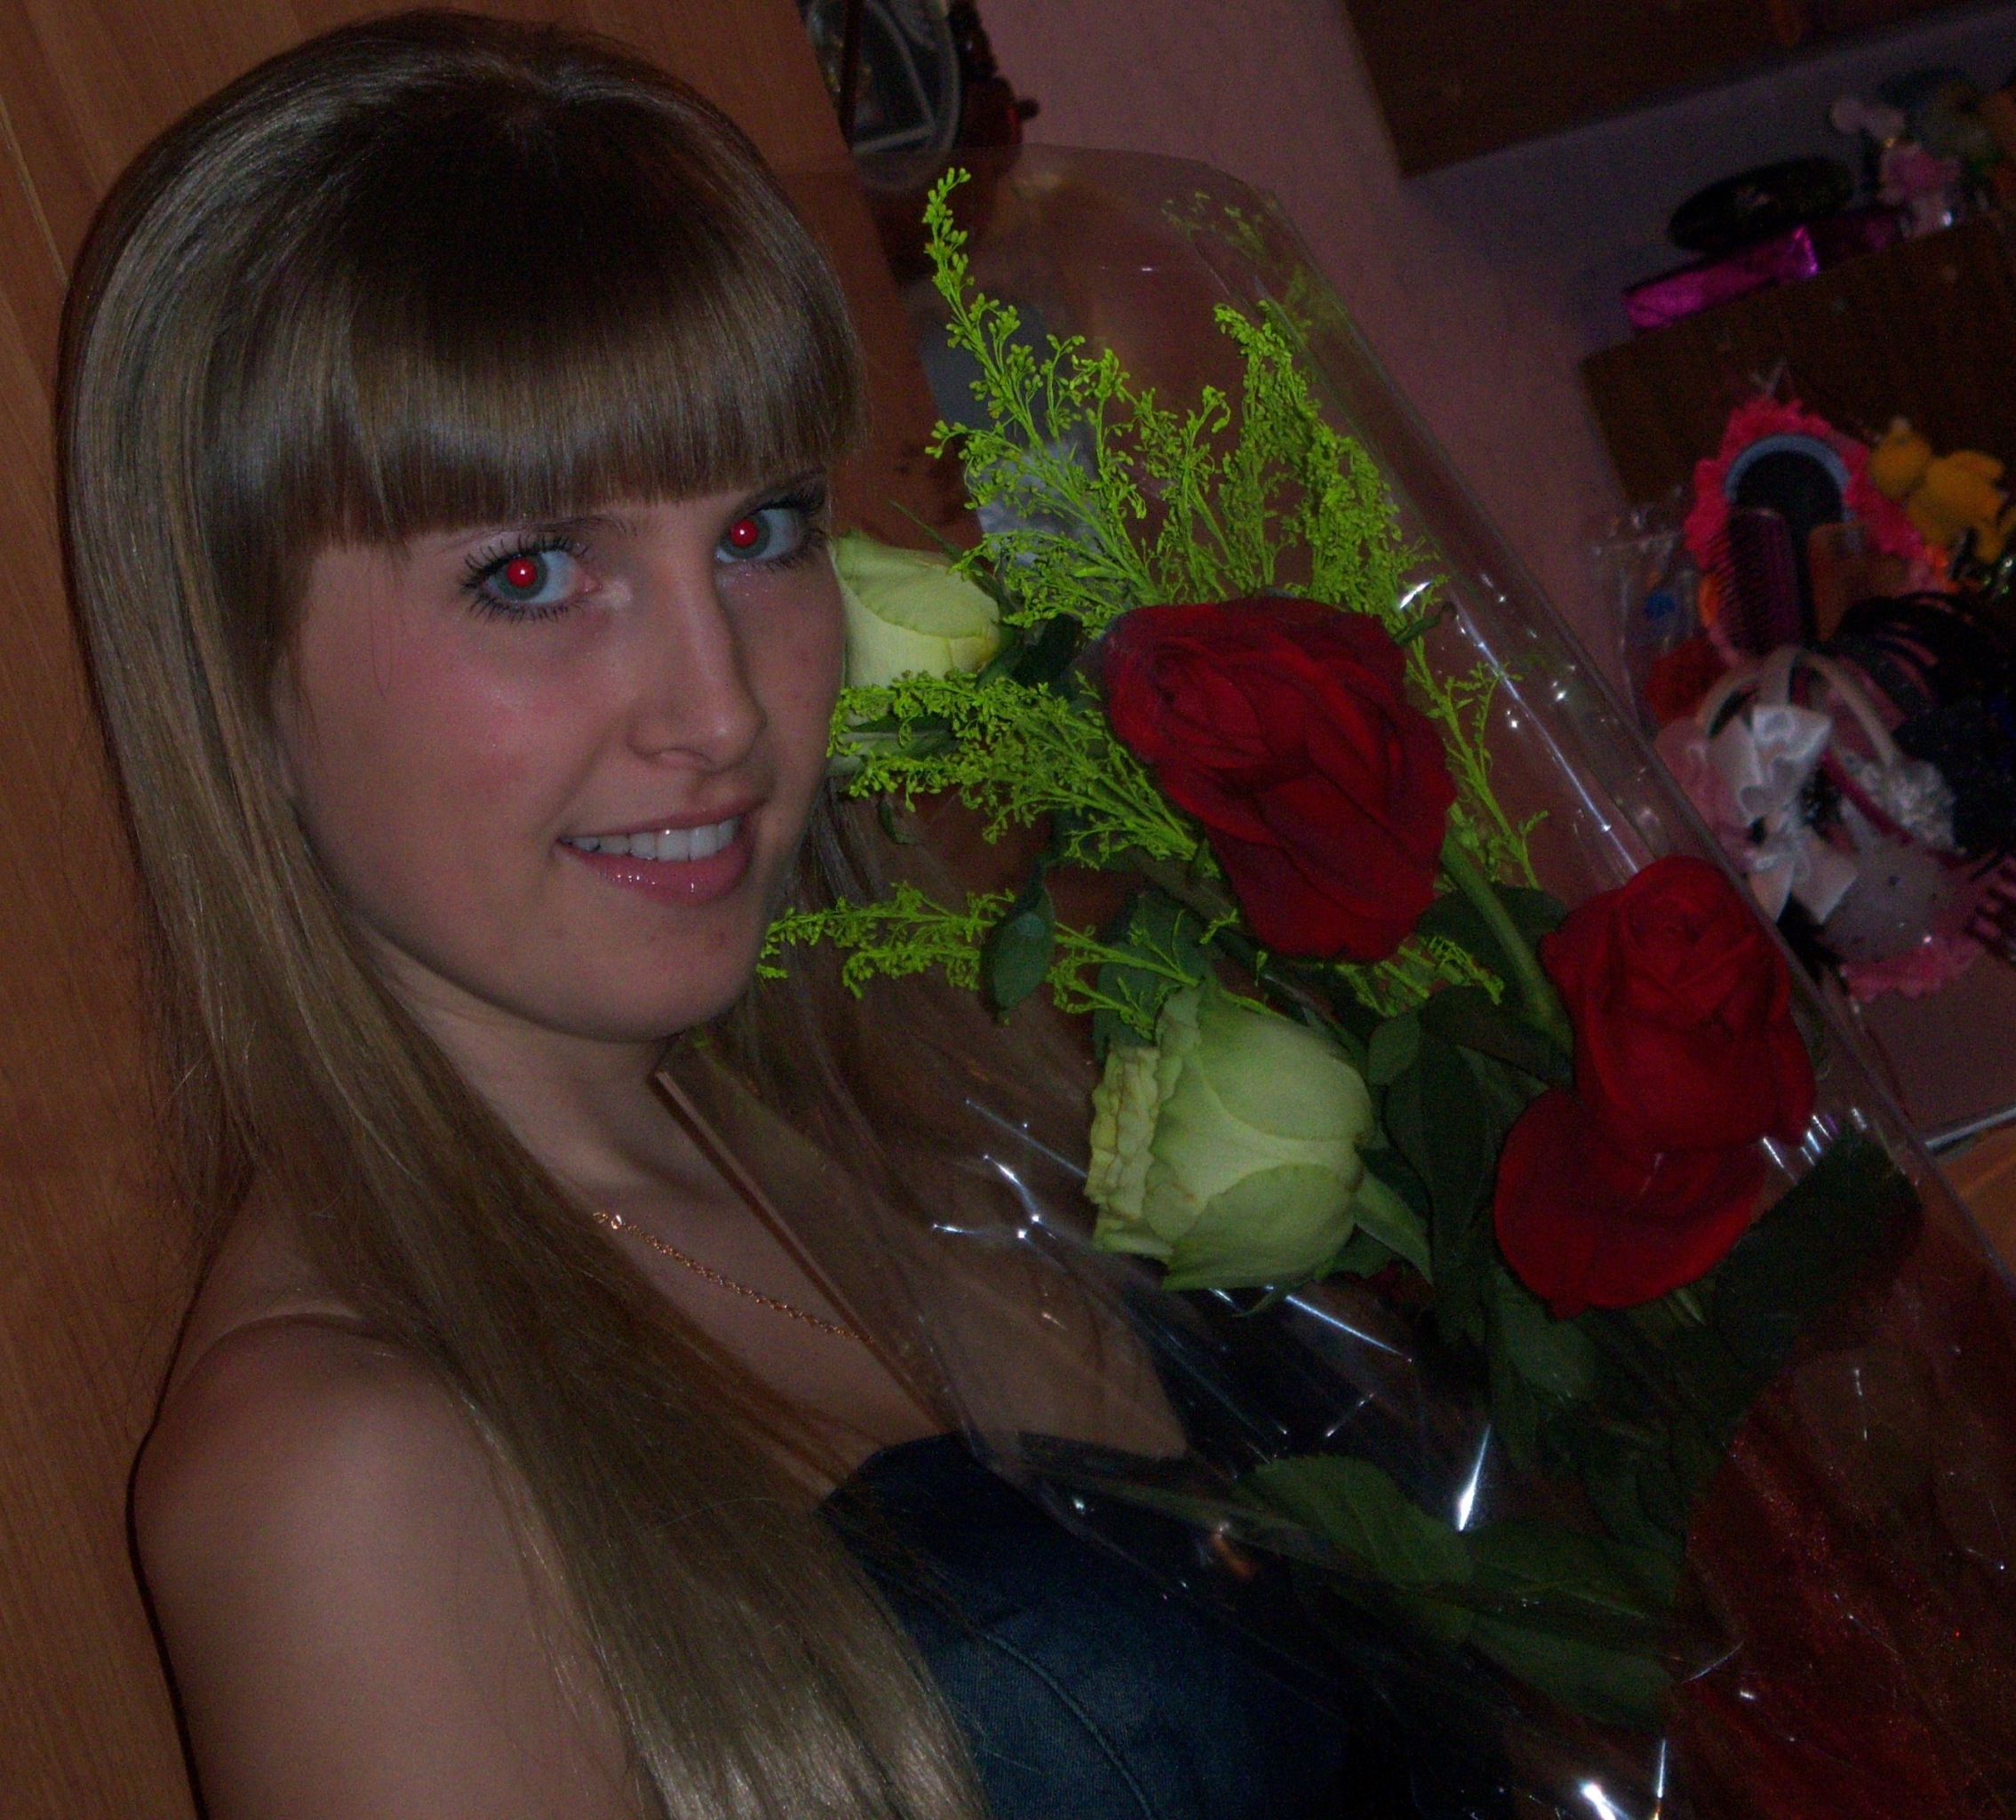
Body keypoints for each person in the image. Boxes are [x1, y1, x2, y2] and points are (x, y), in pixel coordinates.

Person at [65, 13, 1370, 1819]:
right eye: (534, 572)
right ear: (239, 678)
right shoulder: (347, 1468)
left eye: (757, 534)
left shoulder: (948, 1112)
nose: (723, 708)